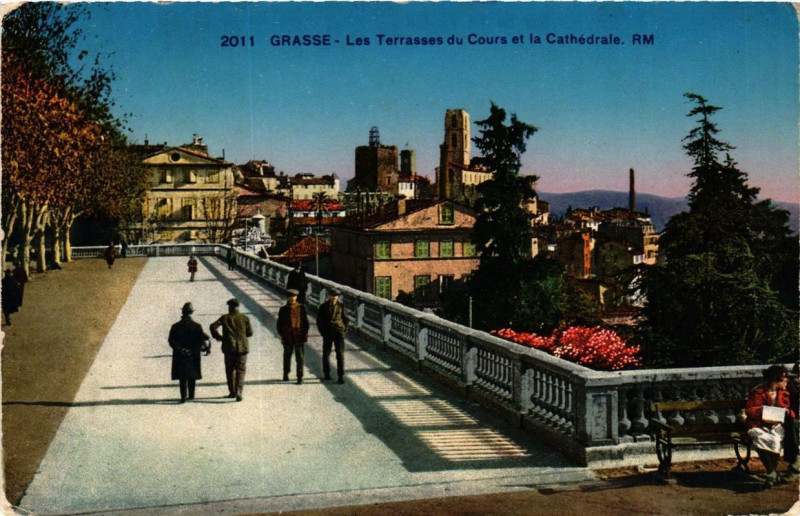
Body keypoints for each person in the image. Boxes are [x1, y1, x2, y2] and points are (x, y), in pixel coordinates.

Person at [745, 364, 796, 488]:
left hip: (776, 425)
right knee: (760, 438)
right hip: (759, 424)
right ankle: (771, 472)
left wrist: (787, 412)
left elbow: (792, 411)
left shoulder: (784, 393)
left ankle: (771, 473)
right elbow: (749, 410)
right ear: (775, 379)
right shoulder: (758, 392)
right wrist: (763, 410)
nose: (786, 380)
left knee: (776, 441)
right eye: (783, 378)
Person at [210, 298, 253, 401]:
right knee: (241, 370)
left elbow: (212, 326)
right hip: (242, 348)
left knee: (230, 370)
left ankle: (232, 392)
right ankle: (239, 392)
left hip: (229, 347)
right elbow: (250, 333)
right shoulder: (245, 318)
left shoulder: (224, 318)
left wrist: (219, 337)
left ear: (229, 307)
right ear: (238, 307)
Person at [168, 302, 211, 403]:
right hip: (194, 354)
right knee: (192, 373)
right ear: (191, 313)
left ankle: (183, 397)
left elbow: (171, 340)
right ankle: (191, 395)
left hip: (180, 354)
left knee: (182, 376)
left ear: (183, 312)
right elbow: (201, 340)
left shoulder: (175, 326)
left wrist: (181, 349)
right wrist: (201, 349)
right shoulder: (197, 326)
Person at [277, 289, 309, 384]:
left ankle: (300, 376)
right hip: (288, 336)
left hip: (298, 336)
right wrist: (282, 334)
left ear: (296, 297)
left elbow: (306, 323)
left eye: (294, 296)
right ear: (287, 297)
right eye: (290, 297)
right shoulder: (283, 309)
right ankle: (286, 373)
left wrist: (304, 334)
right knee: (287, 356)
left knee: (300, 357)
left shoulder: (301, 308)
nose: (292, 298)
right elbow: (279, 324)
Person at [317, 288, 349, 384]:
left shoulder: (341, 306)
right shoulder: (323, 307)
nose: (334, 297)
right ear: (329, 296)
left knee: (340, 354)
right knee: (326, 353)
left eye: (336, 296)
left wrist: (344, 329)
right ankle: (326, 373)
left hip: (338, 332)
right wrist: (322, 332)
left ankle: (340, 375)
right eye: (333, 295)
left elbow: (346, 319)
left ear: (338, 297)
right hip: (327, 332)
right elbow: (319, 321)